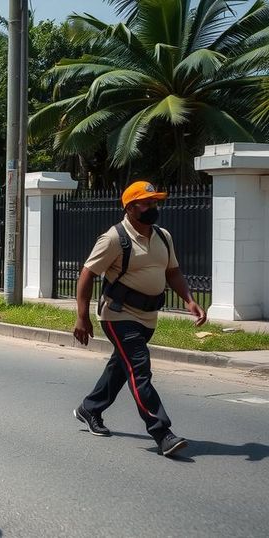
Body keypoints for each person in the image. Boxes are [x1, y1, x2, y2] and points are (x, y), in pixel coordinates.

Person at [72, 180, 207, 457]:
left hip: (148, 316)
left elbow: (173, 272)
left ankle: (90, 408)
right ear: (131, 208)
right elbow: (87, 274)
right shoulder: (113, 238)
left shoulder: (163, 236)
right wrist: (81, 317)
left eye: (154, 202)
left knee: (122, 368)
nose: (152, 207)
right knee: (139, 368)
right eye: (146, 203)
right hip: (118, 314)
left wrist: (189, 300)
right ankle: (162, 432)